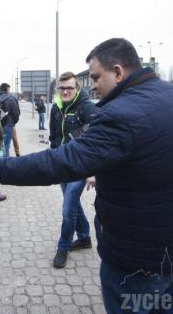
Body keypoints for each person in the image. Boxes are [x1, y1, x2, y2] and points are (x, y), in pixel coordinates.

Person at [0, 38, 173, 314]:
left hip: (144, 259)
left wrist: (1, 167)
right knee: (167, 303)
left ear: (118, 71)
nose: (92, 85)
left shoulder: (121, 114)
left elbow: (63, 161)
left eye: (95, 77)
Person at [49, 71, 98, 268]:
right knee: (73, 204)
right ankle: (84, 237)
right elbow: (53, 137)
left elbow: (98, 131)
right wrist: (52, 161)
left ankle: (63, 246)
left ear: (77, 88)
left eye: (69, 88)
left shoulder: (85, 106)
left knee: (68, 208)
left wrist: (93, 170)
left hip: (79, 167)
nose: (65, 91)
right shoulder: (56, 108)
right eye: (62, 88)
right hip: (62, 165)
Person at [0, 83, 20, 157]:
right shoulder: (11, 99)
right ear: (7, 89)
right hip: (8, 125)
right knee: (6, 146)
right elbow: (16, 114)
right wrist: (12, 122)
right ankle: (5, 164)